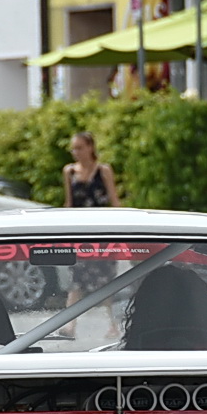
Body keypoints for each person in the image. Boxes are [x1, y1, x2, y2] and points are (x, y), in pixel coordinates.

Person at [62, 131, 121, 339]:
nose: (76, 152)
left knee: (106, 279)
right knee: (76, 279)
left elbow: (114, 200)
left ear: (90, 147)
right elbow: (69, 203)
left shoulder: (103, 171)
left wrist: (121, 228)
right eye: (74, 148)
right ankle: (70, 325)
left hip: (102, 232)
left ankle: (113, 324)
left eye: (79, 147)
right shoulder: (69, 171)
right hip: (80, 232)